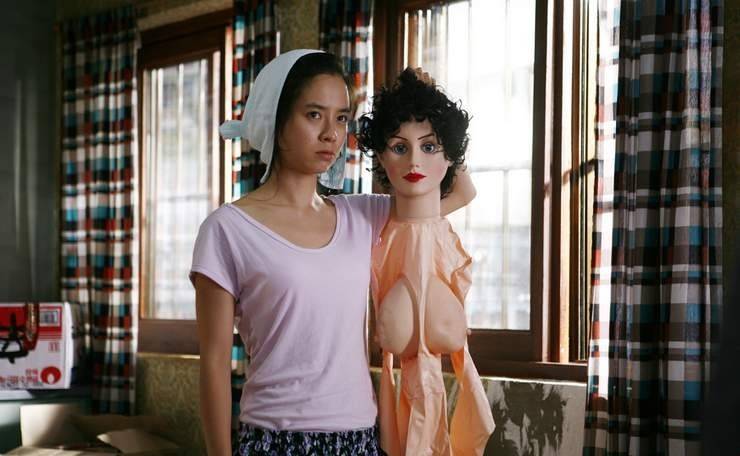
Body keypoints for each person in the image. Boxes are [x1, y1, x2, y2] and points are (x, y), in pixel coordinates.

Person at [190, 50, 476, 456]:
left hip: (359, 438)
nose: (331, 134)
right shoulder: (227, 230)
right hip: (273, 440)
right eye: (314, 115)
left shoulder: (363, 216)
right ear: (276, 120)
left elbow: (460, 191)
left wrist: (425, 105)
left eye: (341, 118)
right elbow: (214, 364)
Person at [357, 68, 495, 455]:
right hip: (400, 322)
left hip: (438, 319)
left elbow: (466, 189)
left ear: (449, 154)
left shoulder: (439, 209)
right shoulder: (375, 219)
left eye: (429, 146)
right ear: (381, 155)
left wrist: (436, 109)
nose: (415, 160)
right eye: (400, 148)